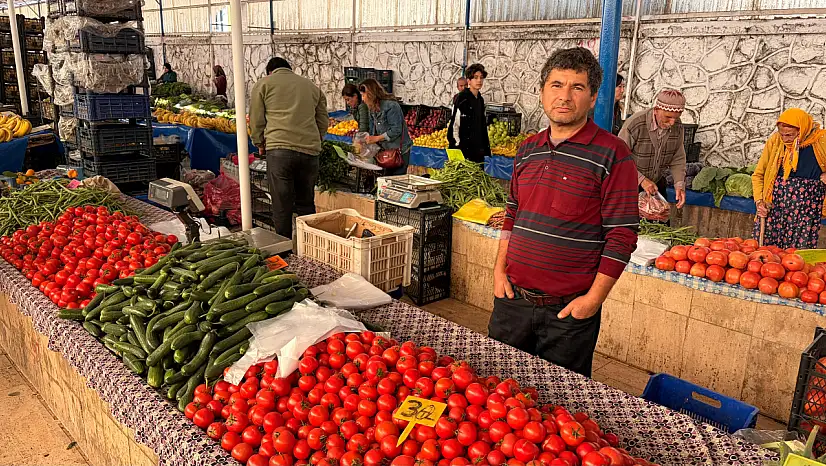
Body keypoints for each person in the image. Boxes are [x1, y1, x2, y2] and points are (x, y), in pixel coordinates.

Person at [488, 47, 639, 378]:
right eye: (556, 85)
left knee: (559, 401)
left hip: (568, 314)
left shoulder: (613, 154)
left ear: (593, 97)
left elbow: (622, 235)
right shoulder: (527, 149)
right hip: (512, 302)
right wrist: (499, 272)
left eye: (577, 87)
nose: (565, 96)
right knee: (498, 388)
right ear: (542, 91)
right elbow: (512, 213)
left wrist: (592, 300)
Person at [249, 57, 328, 239]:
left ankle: (284, 247)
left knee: (281, 205)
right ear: (289, 69)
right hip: (309, 153)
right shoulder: (311, 87)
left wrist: (259, 142)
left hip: (279, 151)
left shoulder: (264, 84)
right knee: (306, 203)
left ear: (270, 71)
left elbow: (256, 119)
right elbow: (323, 121)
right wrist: (315, 139)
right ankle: (310, 244)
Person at [752, 108, 826, 249]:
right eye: (782, 134)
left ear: (802, 130)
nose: (785, 139)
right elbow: (758, 174)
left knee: (796, 257)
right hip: (775, 208)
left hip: (806, 211)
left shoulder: (822, 140)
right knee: (768, 253)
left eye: (790, 135)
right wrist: (759, 201)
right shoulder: (776, 141)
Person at [618, 88, 687, 208]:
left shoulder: (677, 126)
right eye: (668, 117)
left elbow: (678, 157)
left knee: (659, 217)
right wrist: (641, 180)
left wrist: (679, 185)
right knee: (630, 219)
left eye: (676, 118)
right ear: (656, 110)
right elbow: (618, 157)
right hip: (628, 184)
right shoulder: (635, 124)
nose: (672, 122)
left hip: (656, 184)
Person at [359, 78, 411, 176]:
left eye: (363, 95)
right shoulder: (372, 108)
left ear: (370, 94)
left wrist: (377, 138)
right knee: (386, 181)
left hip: (398, 152)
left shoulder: (391, 106)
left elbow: (396, 130)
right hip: (386, 152)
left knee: (396, 181)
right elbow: (372, 129)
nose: (362, 99)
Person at [447, 64, 491, 164]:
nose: (479, 80)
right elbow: (454, 124)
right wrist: (457, 145)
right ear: (469, 81)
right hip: (463, 150)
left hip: (477, 150)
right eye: (475, 77)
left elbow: (481, 125)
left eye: (481, 78)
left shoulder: (480, 100)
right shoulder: (461, 99)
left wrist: (485, 147)